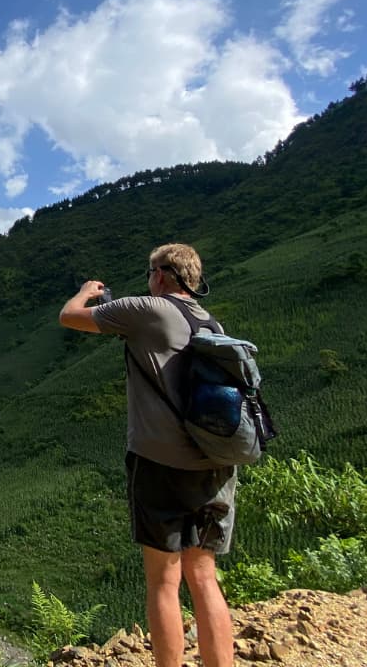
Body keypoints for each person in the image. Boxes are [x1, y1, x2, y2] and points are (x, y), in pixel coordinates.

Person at [58, 243, 235, 667]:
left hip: (160, 463)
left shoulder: (145, 309)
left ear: (161, 275)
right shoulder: (210, 322)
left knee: (163, 581)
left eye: (150, 271)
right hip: (216, 464)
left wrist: (85, 291)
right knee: (204, 577)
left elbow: (68, 317)